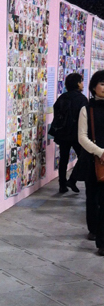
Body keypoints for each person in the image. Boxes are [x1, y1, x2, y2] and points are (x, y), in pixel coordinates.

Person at [78, 70, 104, 252]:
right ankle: (94, 230)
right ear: (93, 87)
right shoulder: (87, 109)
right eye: (102, 84)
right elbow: (82, 137)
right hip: (93, 160)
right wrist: (100, 152)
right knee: (93, 197)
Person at [51, 73, 88, 193]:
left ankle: (62, 184)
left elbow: (56, 112)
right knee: (83, 158)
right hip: (77, 134)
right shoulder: (82, 99)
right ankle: (73, 179)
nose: (83, 84)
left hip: (63, 133)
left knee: (63, 159)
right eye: (81, 81)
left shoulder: (62, 97)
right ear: (77, 83)